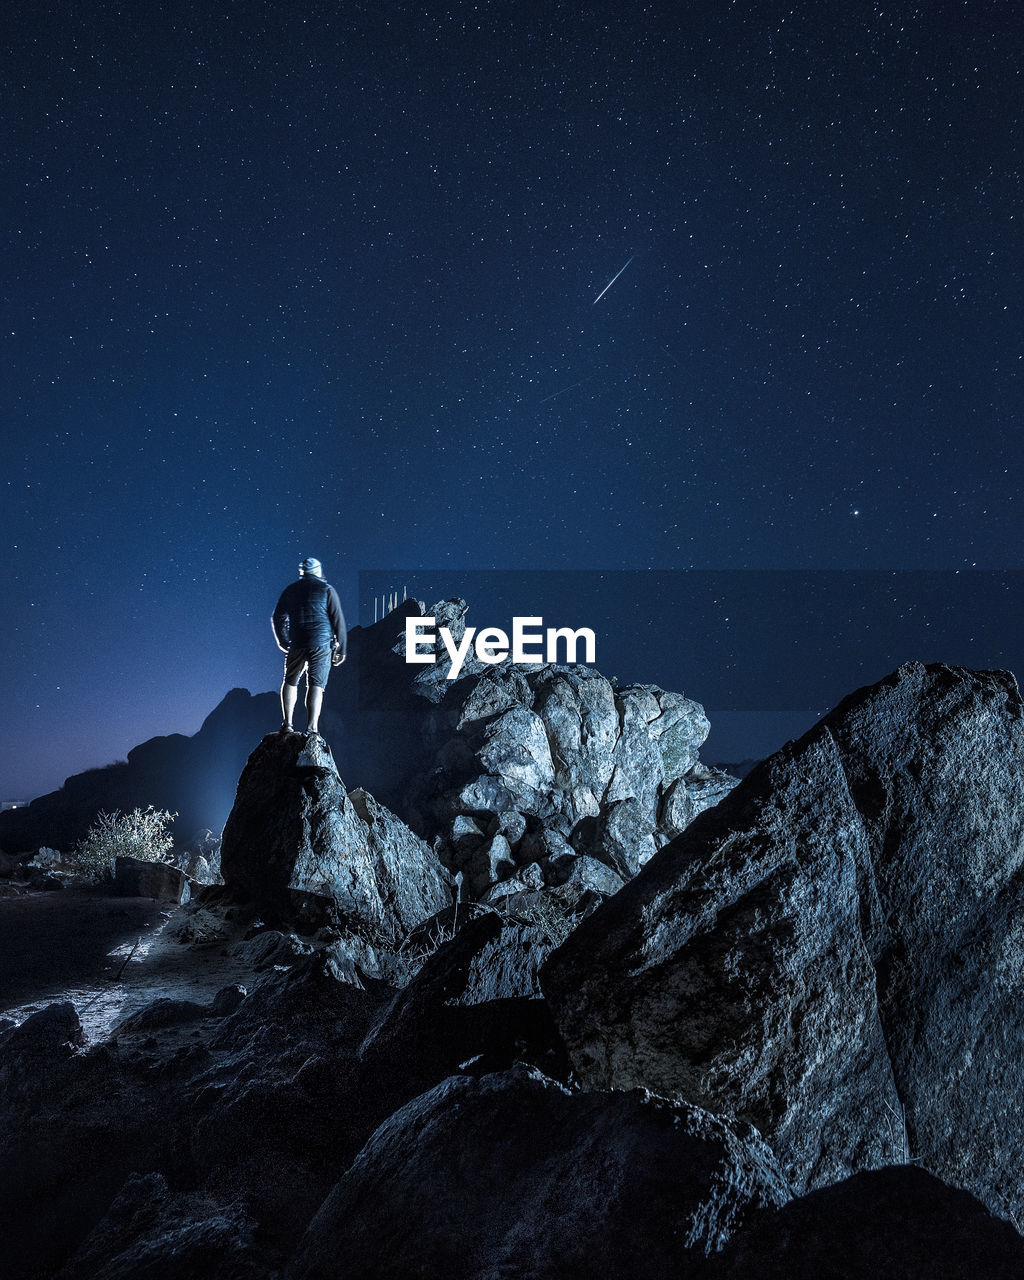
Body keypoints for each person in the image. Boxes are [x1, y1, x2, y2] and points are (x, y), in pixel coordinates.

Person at [272, 557, 346, 737]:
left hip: (297, 643)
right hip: (321, 644)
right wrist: (341, 649)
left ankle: (287, 724)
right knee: (316, 684)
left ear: (302, 572)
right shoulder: (327, 590)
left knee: (290, 680)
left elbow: (278, 617)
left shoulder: (290, 590)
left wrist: (283, 641)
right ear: (319, 572)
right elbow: (338, 621)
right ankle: (312, 728)